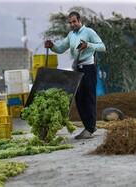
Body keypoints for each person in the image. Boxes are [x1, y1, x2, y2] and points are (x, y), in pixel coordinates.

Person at [44, 11, 106, 139]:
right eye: (70, 22)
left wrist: (88, 45)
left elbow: (102, 47)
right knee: (79, 98)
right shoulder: (71, 35)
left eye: (74, 22)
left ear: (79, 20)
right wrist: (52, 46)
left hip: (88, 67)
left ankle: (89, 129)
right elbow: (61, 49)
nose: (72, 24)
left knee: (89, 97)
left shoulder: (89, 32)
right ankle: (89, 126)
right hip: (77, 68)